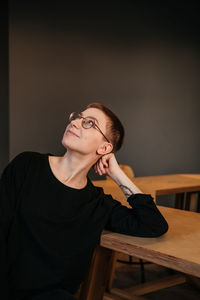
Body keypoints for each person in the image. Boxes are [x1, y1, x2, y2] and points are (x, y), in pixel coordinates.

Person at [0, 103, 168, 300]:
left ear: (105, 147)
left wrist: (117, 174)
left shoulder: (97, 203)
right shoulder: (27, 165)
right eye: (77, 117)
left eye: (89, 123)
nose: (76, 122)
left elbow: (153, 224)